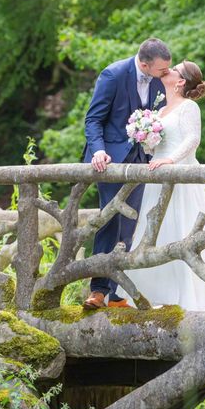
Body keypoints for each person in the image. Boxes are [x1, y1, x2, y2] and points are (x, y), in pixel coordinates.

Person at [118, 60, 205, 311]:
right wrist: (147, 140)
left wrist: (170, 159)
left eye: (174, 69)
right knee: (154, 231)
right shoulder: (159, 109)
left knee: (182, 229)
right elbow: (154, 146)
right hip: (158, 177)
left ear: (180, 81)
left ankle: (189, 296)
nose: (167, 71)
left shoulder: (189, 107)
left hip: (182, 177)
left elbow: (193, 139)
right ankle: (151, 294)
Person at [82, 38, 171, 310]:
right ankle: (97, 291)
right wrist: (98, 151)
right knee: (110, 222)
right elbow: (94, 118)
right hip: (109, 162)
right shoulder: (114, 75)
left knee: (130, 225)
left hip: (141, 161)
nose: (165, 74)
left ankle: (116, 294)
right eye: (161, 69)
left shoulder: (159, 82)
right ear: (144, 64)